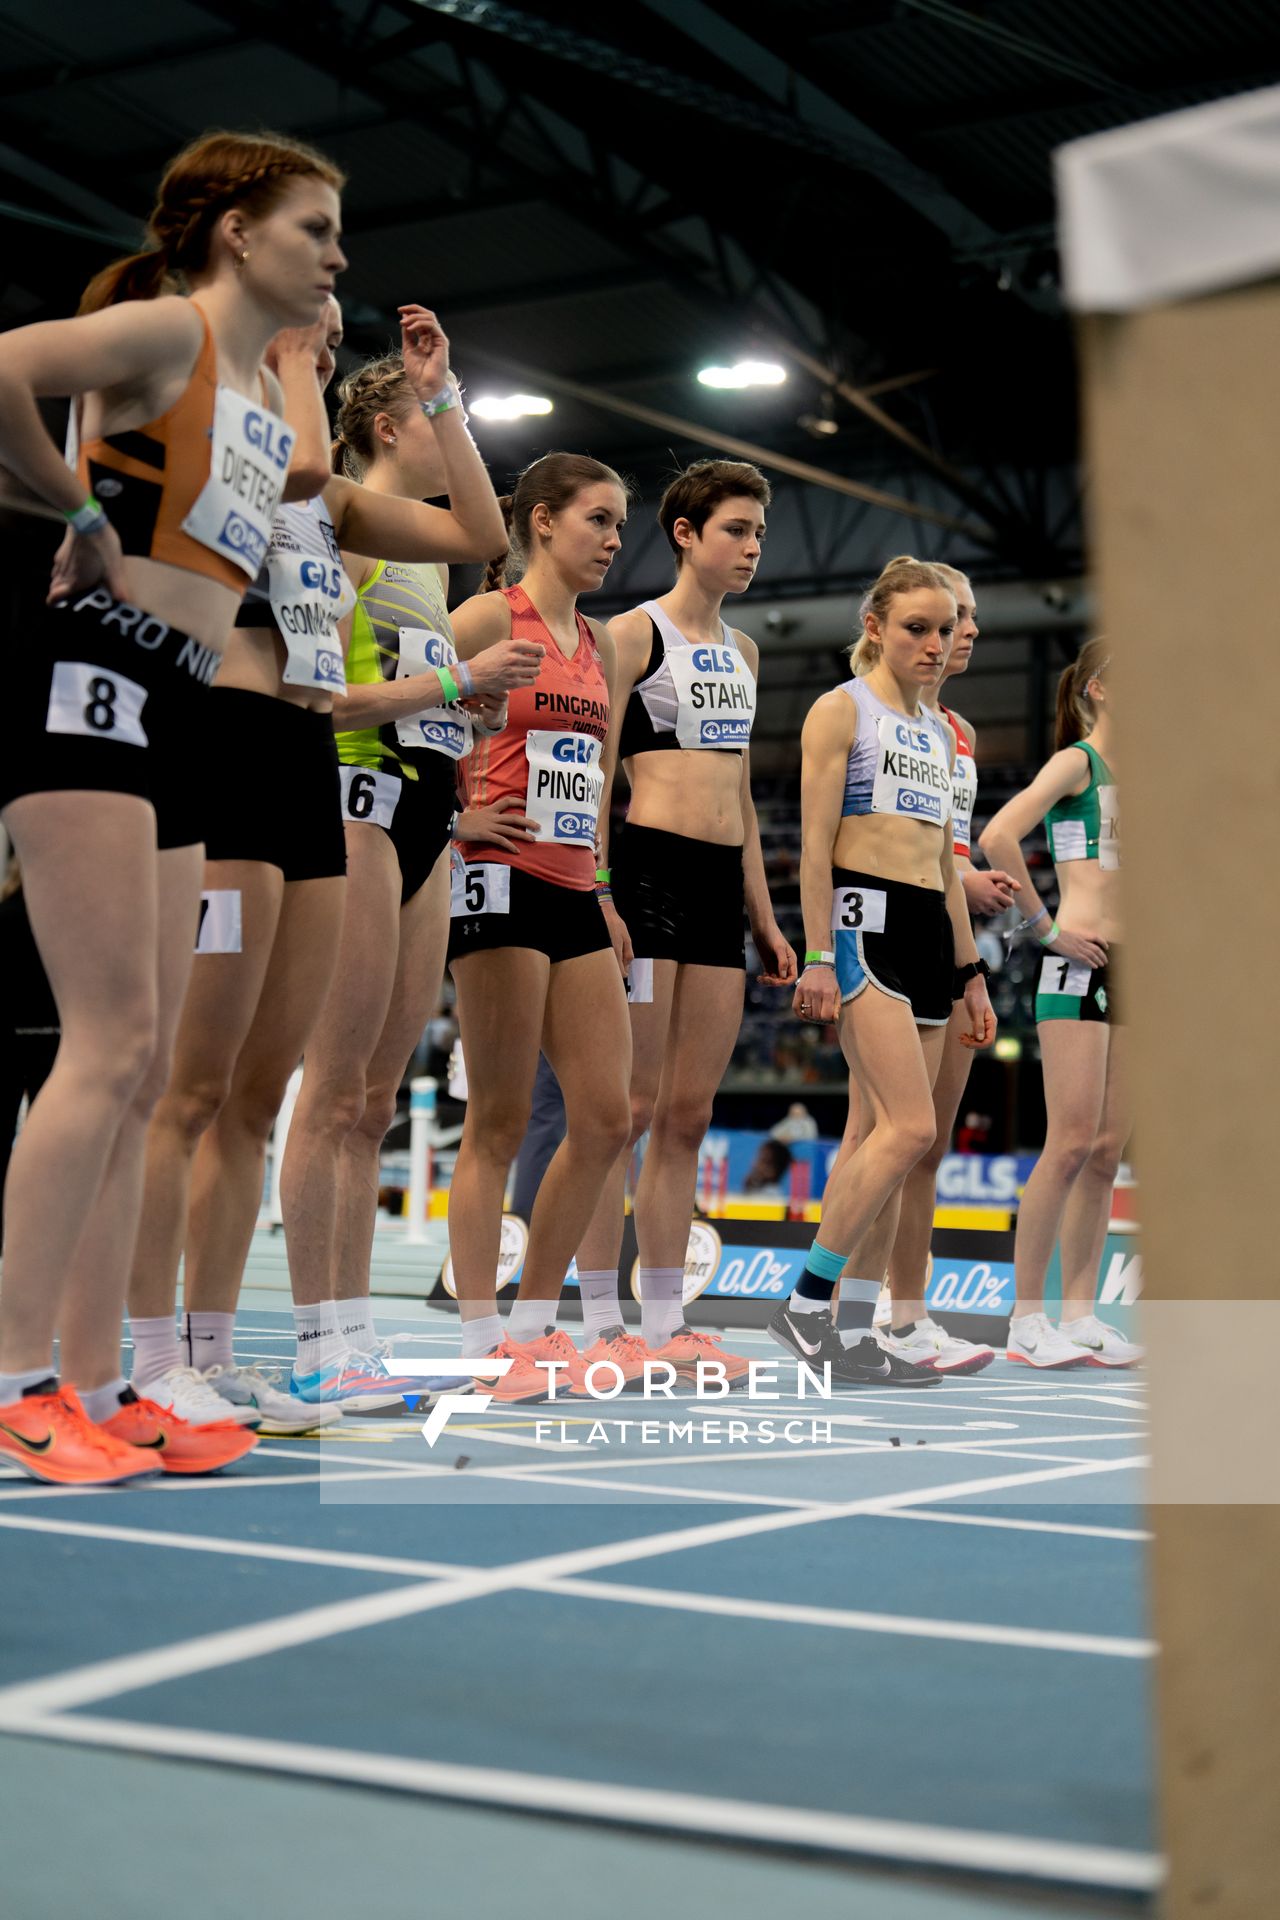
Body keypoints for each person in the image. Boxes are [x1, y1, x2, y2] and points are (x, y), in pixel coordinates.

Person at [0, 128, 345, 1483]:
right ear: (236, 233)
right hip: (91, 679)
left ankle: (94, 1381)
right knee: (109, 1042)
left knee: (140, 1067)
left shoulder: (260, 381)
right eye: (314, 227)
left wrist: (308, 357)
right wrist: (70, 505)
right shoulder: (162, 335)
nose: (337, 254)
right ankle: (19, 1378)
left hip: (183, 710)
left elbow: (306, 470)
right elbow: (5, 371)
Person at [270, 343, 533, 1411]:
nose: (451, 442)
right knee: (334, 1089)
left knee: (376, 1097)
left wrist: (457, 717)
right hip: (354, 802)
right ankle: (314, 1342)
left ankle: (353, 1340)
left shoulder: (427, 565)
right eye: (431, 423)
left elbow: (488, 532)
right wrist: (461, 676)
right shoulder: (345, 537)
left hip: (428, 812)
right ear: (386, 428)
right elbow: (322, 699)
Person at [575, 459, 796, 1386]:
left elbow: (741, 795)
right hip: (649, 876)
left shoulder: (745, 654)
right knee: (620, 1112)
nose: (750, 549)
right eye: (735, 531)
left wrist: (768, 914)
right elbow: (592, 761)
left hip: (717, 892)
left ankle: (666, 1319)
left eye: (757, 534)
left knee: (687, 1116)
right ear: (686, 534)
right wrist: (599, 888)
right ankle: (598, 1322)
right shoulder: (633, 633)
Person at [768, 556, 995, 1386]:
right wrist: (821, 952)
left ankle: (858, 1336)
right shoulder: (842, 711)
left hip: (931, 930)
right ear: (875, 628)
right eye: (917, 629)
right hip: (865, 924)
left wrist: (970, 971)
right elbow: (817, 847)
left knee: (888, 1145)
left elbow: (943, 857)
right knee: (909, 1129)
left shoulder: (940, 731)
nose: (936, 644)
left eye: (945, 630)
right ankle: (804, 1304)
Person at [445, 453, 634, 1402]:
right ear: (543, 521)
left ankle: (533, 1324)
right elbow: (408, 721)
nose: (610, 540)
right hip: (498, 878)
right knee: (500, 1117)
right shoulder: (489, 619)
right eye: (598, 520)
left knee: (608, 1116)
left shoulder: (597, 644)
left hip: (572, 888)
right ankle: (482, 1333)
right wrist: (455, 818)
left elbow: (593, 782)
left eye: (617, 526)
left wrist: (601, 886)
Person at [831, 563, 1018, 1374]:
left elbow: (946, 843)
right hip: (879, 929)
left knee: (926, 1145)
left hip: (947, 942)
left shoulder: (957, 732)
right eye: (952, 616)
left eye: (967, 619)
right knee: (878, 1132)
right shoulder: (863, 712)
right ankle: (841, 1312)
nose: (963, 632)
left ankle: (907, 1316)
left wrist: (970, 945)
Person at [979, 637, 1140, 1368]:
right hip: (1081, 965)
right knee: (1070, 1144)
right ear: (1100, 690)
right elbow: (998, 834)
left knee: (1107, 1152)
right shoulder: (1079, 761)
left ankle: (1080, 1317)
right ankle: (1025, 1319)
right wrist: (1045, 930)